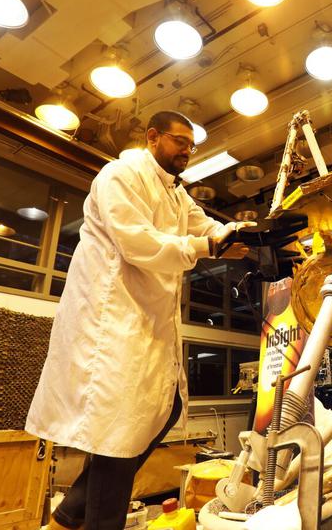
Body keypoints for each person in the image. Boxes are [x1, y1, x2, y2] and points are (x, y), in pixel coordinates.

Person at [26, 110, 254, 529]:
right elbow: (138, 243)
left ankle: (65, 517)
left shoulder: (173, 192)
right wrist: (207, 247)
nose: (187, 151)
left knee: (163, 411)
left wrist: (245, 232)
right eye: (179, 141)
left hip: (145, 323)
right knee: (118, 436)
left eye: (191, 145)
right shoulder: (121, 175)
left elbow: (205, 226)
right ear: (153, 137)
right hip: (111, 320)